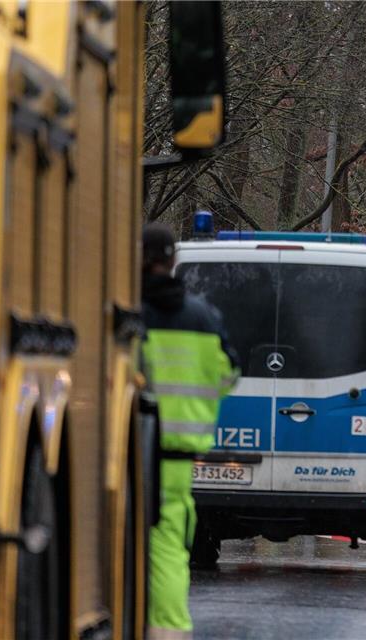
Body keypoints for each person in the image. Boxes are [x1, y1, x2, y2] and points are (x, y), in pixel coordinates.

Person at [141, 223, 239, 639]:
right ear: (173, 262)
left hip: (121, 451)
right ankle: (167, 631)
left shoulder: (124, 313)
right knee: (167, 550)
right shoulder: (203, 317)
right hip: (176, 461)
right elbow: (229, 373)